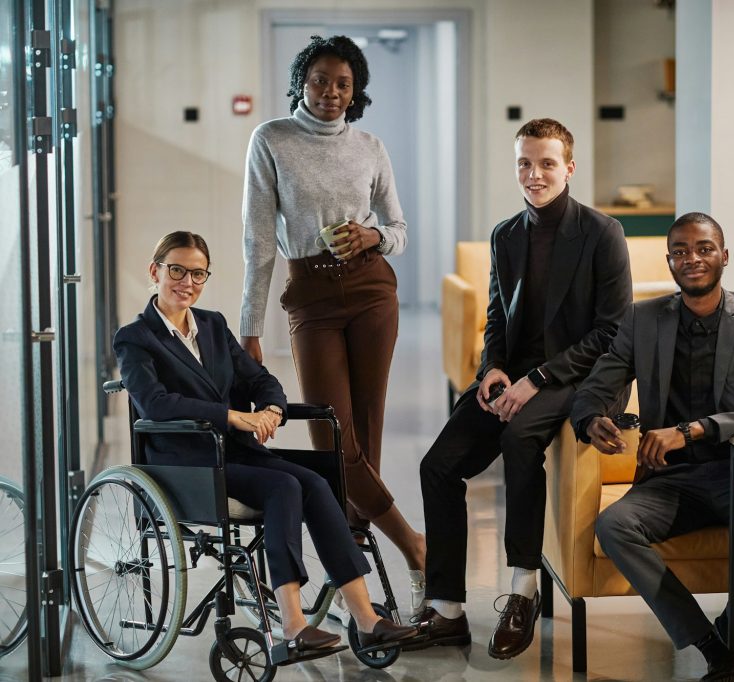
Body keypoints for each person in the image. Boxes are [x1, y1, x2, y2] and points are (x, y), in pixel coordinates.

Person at [114, 231, 420, 653]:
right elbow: (155, 403)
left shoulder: (214, 326)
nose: (187, 282)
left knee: (314, 480)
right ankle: (292, 625)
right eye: (177, 270)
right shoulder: (135, 338)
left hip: (236, 454)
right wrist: (231, 416)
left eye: (198, 274)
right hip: (188, 462)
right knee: (284, 485)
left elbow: (260, 379)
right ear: (156, 272)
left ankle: (366, 618)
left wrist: (272, 409)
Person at [415, 118, 632, 658]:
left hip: (580, 375)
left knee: (519, 440)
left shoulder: (602, 233)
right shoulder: (506, 234)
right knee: (437, 465)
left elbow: (612, 331)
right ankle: (446, 609)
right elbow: (496, 315)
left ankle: (522, 591)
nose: (533, 174)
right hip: (514, 377)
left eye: (546, 163)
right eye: (524, 163)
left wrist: (536, 379)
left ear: (569, 168)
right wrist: (492, 367)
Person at [238, 35, 426, 614]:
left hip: (373, 291)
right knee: (335, 437)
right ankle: (416, 547)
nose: (331, 93)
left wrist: (373, 236)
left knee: (364, 435)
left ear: (356, 91)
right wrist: (251, 324)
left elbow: (398, 227)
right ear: (302, 81)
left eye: (343, 84)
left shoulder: (370, 146)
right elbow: (259, 240)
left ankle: (356, 586)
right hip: (311, 298)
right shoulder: (270, 138)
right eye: (321, 79)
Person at [571, 213, 734, 682]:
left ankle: (733, 631)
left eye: (703, 248)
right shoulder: (643, 318)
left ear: (724, 255)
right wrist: (591, 418)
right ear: (670, 259)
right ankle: (710, 644)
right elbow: (600, 383)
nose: (691, 259)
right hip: (671, 481)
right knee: (615, 525)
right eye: (680, 251)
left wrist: (696, 429)